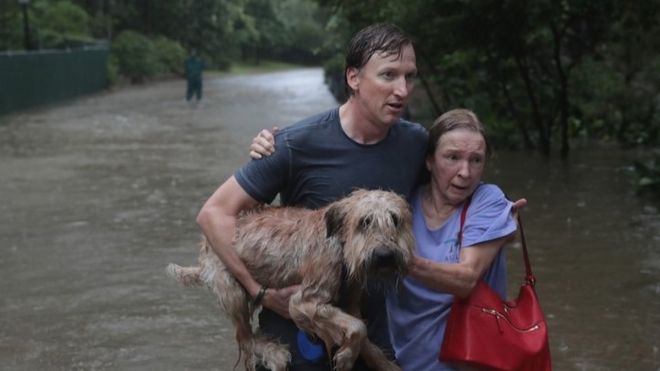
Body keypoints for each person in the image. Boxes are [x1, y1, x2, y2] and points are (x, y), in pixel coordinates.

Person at [196, 23, 426, 371]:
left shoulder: (415, 144)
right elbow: (214, 214)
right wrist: (259, 292)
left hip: (370, 342)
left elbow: (456, 181)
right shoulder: (292, 144)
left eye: (409, 77)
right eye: (389, 75)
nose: (402, 90)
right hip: (297, 348)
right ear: (353, 78)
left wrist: (495, 210)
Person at [251, 109, 526, 371]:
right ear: (429, 161)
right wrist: (276, 146)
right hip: (403, 357)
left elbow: (465, 280)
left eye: (476, 160)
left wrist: (391, 255)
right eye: (452, 157)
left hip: (468, 358)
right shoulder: (404, 207)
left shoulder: (486, 200)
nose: (465, 172)